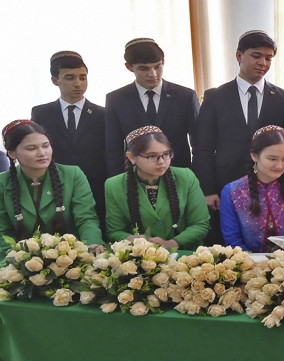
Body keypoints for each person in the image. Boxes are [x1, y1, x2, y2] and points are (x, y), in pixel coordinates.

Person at [192, 30, 284, 244]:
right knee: (228, 244)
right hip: (225, 184)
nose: (263, 63)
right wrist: (207, 190)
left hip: (270, 185)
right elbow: (202, 148)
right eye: (256, 56)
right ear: (239, 56)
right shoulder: (215, 97)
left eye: (268, 58)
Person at [0, 120, 104, 260]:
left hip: (71, 259)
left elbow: (86, 218)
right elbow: (3, 232)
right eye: (31, 148)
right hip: (21, 262)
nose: (42, 153)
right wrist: (15, 263)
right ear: (12, 153)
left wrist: (93, 244)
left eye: (46, 146)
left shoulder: (73, 174)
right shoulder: (2, 182)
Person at [31, 51, 107, 229]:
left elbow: (109, 151)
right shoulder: (42, 113)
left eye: (83, 77)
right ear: (55, 80)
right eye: (70, 78)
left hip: (95, 187)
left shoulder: (102, 114)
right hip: (54, 186)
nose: (78, 83)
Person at [105, 38, 199, 176]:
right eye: (143, 68)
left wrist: (198, 179)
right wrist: (119, 182)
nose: (153, 74)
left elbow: (200, 144)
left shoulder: (184, 96)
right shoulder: (116, 99)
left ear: (163, 62)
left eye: (157, 66)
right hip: (135, 178)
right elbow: (113, 149)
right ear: (129, 67)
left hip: (179, 175)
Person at [104, 126, 209, 250]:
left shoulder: (185, 177)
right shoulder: (114, 185)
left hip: (185, 254)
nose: (162, 162)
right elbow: (114, 231)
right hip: (140, 256)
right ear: (131, 157)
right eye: (152, 156)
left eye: (166, 154)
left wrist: (172, 243)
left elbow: (200, 224)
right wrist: (134, 239)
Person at [219, 125, 284, 252]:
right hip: (246, 261)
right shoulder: (232, 192)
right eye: (272, 158)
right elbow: (232, 241)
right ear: (254, 156)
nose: (279, 165)